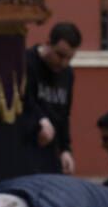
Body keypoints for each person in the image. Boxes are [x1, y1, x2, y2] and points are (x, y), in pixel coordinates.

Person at [20, 22, 80, 176]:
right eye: (59, 55)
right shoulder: (27, 62)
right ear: (48, 44)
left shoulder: (68, 74)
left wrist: (65, 150)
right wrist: (41, 119)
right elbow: (24, 100)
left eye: (69, 58)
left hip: (50, 151)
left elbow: (64, 115)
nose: (63, 63)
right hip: (26, 145)